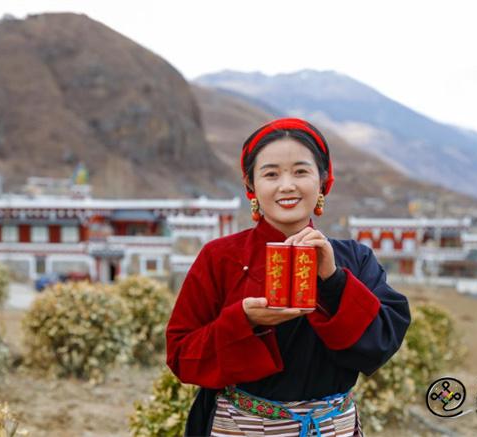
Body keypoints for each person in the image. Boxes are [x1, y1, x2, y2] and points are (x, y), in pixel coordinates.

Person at [166, 118, 411, 436]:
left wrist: (333, 280)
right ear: (251, 187)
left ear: (323, 181)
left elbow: (382, 344)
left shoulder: (355, 258)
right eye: (271, 174)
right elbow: (182, 356)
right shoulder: (219, 257)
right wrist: (243, 321)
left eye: (300, 171)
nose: (286, 185)